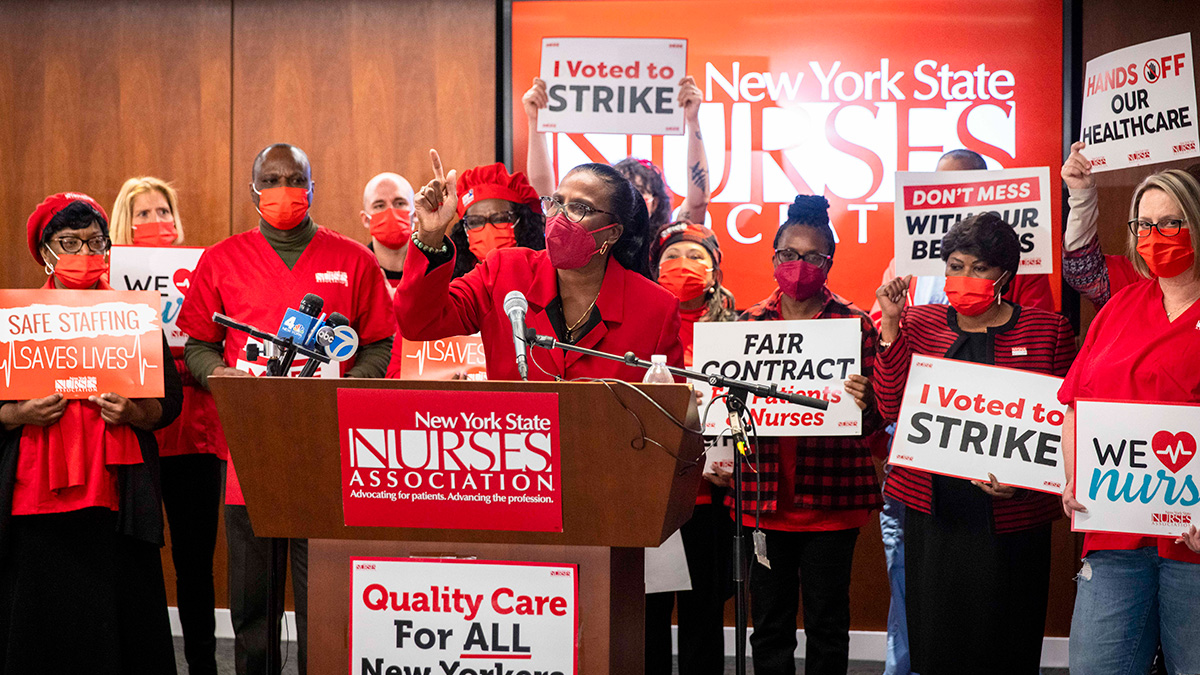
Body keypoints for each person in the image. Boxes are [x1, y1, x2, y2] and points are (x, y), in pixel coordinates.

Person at [177, 143, 397, 675]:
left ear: (313, 187)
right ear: (254, 191)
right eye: (271, 180)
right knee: (254, 605)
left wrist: (344, 387)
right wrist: (220, 376)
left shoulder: (353, 259)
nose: (284, 192)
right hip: (250, 454)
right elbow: (197, 344)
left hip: (330, 449)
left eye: (294, 179)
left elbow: (381, 345)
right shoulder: (221, 260)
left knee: (322, 597)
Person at [870, 147, 1053, 675]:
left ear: (1004, 274)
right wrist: (889, 326)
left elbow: (1060, 421)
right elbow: (889, 403)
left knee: (1005, 641)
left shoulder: (1045, 328)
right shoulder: (922, 319)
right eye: (955, 267)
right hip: (933, 509)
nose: (965, 277)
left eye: (979, 268)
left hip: (1009, 513)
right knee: (934, 642)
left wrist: (1026, 479)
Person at [0, 192, 182, 674]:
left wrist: (134, 415)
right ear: (45, 251)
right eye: (70, 242)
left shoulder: (135, 315)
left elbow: (170, 405)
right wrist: (19, 415)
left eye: (94, 241)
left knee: (119, 619)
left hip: (116, 498)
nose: (85, 254)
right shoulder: (15, 319)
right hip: (36, 498)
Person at [725, 195, 882, 675]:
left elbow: (877, 422)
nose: (799, 265)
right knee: (769, 623)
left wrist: (868, 401)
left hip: (832, 502)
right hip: (763, 499)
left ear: (828, 263)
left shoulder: (855, 324)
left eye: (813, 257)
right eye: (789, 254)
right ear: (774, 259)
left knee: (827, 623)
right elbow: (728, 417)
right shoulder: (746, 325)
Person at [1059, 169, 1200, 675]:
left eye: (1170, 223)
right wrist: (1074, 478)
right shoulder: (1119, 306)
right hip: (1115, 535)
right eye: (1143, 224)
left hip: (1195, 546)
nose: (1153, 237)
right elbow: (1077, 404)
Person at [394, 149, 683, 380]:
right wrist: (431, 233)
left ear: (613, 232)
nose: (559, 217)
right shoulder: (503, 270)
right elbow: (419, 323)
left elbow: (667, 423)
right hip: (512, 447)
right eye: (556, 203)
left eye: (579, 208)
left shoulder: (656, 309)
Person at [112, 176, 223, 675]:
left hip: (195, 433)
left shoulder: (201, 272)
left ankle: (202, 663)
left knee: (195, 562)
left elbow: (216, 346)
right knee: (132, 556)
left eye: (164, 213)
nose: (157, 223)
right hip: (130, 434)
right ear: (123, 223)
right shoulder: (105, 285)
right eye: (143, 214)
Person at [644, 220, 736, 675]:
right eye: (671, 258)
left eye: (697, 257)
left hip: (712, 498)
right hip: (654, 496)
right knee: (649, 616)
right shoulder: (641, 325)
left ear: (716, 270)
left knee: (704, 613)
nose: (683, 267)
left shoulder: (742, 330)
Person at [523, 75, 711, 229]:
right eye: (624, 191)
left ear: (654, 203)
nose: (632, 200)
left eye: (641, 192)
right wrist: (535, 122)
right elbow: (545, 197)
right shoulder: (588, 237)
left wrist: (692, 119)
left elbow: (698, 202)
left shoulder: (666, 244)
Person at [447, 162, 546, 278]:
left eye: (500, 219)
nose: (488, 229)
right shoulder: (452, 280)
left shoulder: (545, 272)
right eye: (475, 222)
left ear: (522, 221)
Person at [360, 171, 416, 289]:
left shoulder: (435, 269)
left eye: (400, 203)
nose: (391, 211)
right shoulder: (356, 272)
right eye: (379, 206)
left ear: (415, 214)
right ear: (365, 219)